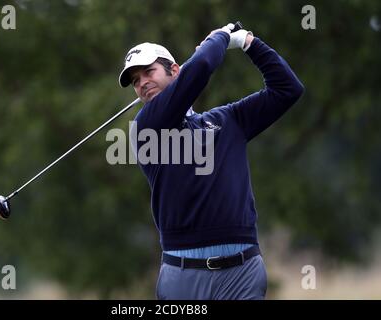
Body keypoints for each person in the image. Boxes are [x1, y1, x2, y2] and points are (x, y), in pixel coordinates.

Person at [118, 23, 304, 300]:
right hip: (183, 276)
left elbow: (287, 89)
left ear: (175, 70)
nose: (142, 82)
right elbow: (203, 64)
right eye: (135, 80)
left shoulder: (228, 119)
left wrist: (249, 43)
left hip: (242, 271)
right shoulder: (146, 127)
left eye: (148, 72)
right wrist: (221, 36)